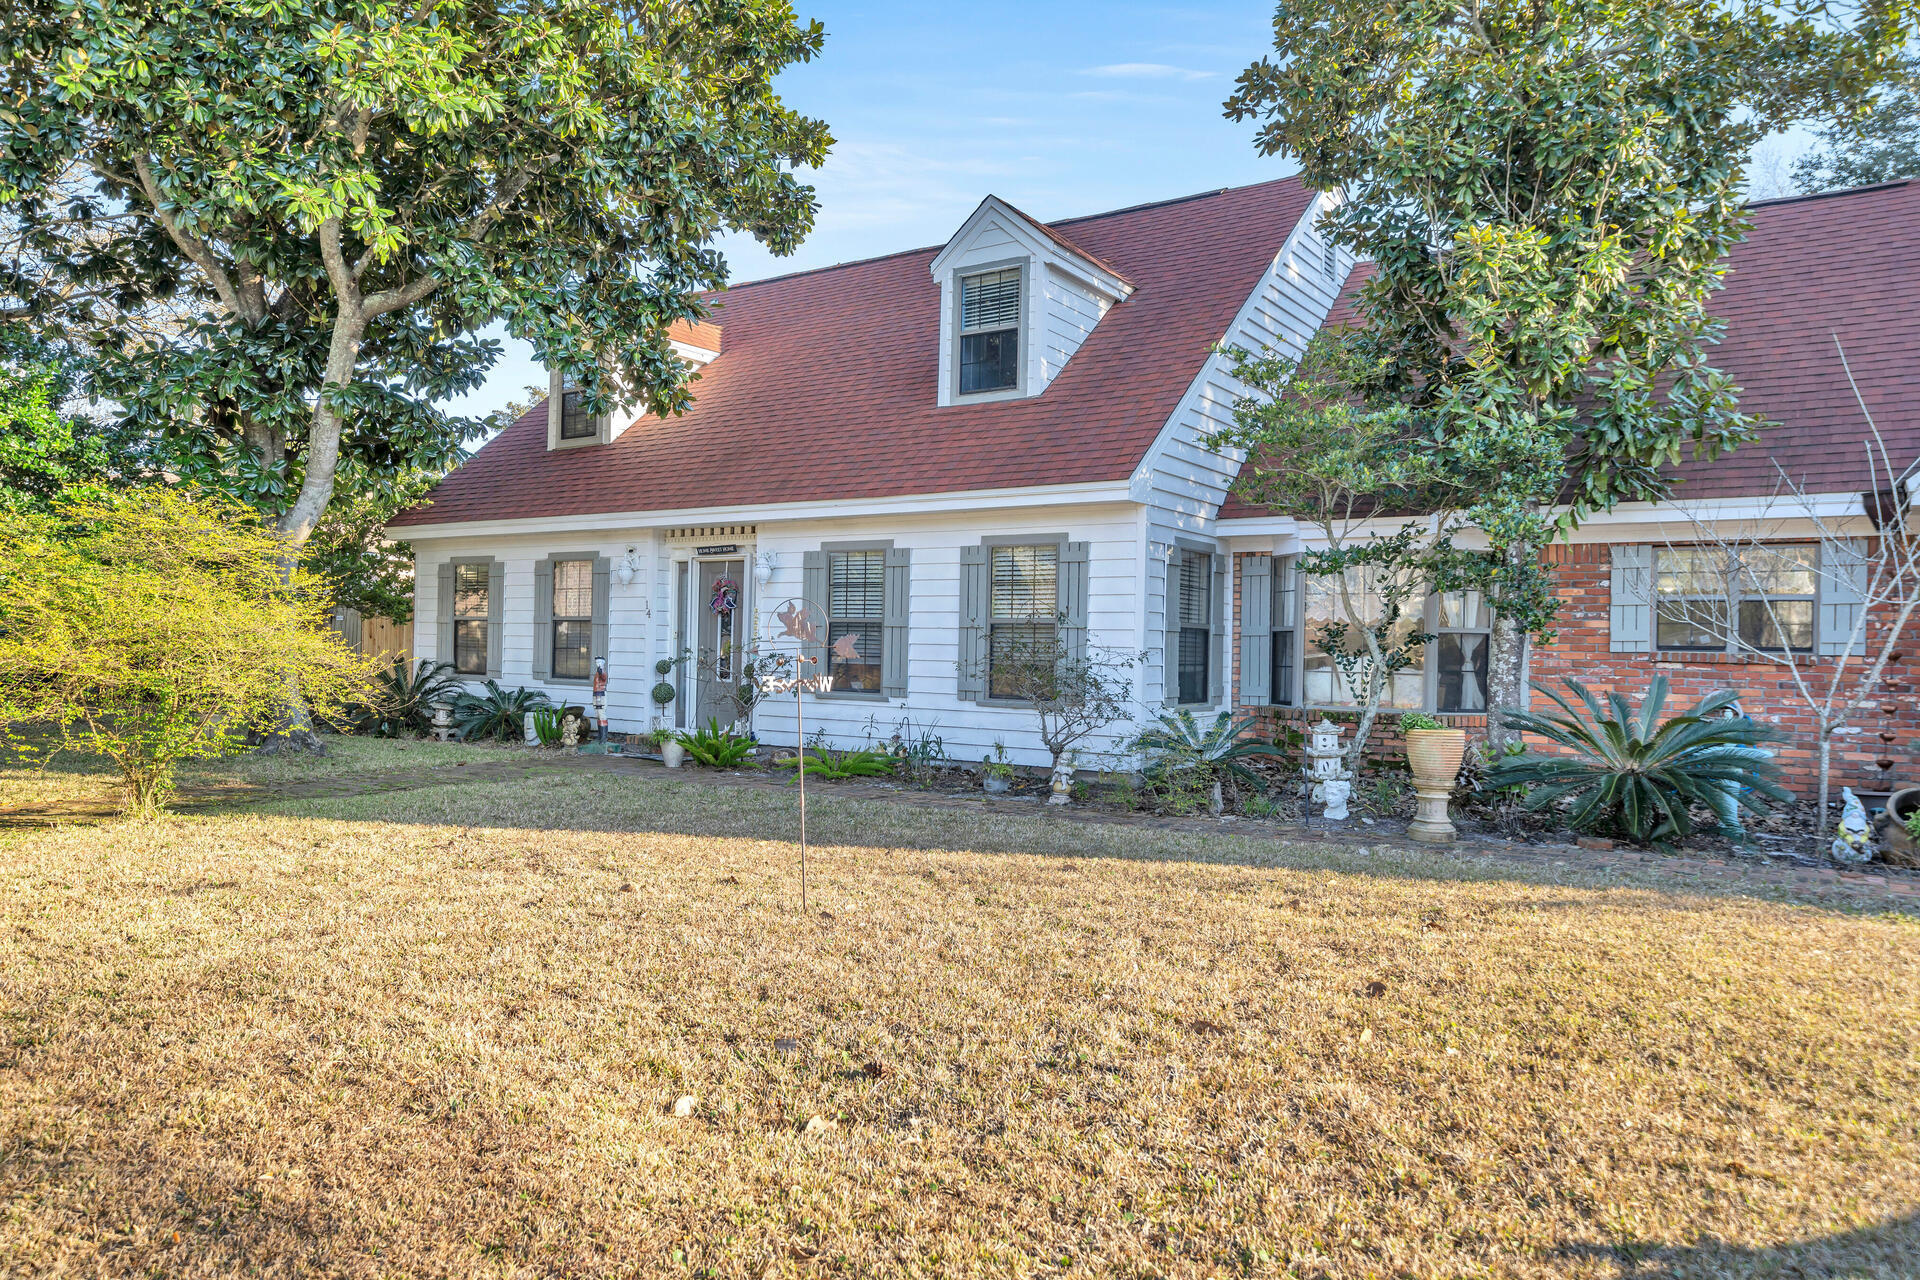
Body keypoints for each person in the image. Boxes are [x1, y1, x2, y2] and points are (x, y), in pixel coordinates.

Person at [592, 658, 609, 744]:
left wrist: (600, 672)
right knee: (598, 715)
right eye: (596, 662)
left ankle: (603, 737)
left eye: (599, 662)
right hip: (596, 695)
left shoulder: (602, 672)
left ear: (602, 663)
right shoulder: (597, 673)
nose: (597, 663)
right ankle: (600, 735)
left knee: (602, 714)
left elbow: (604, 677)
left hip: (601, 695)